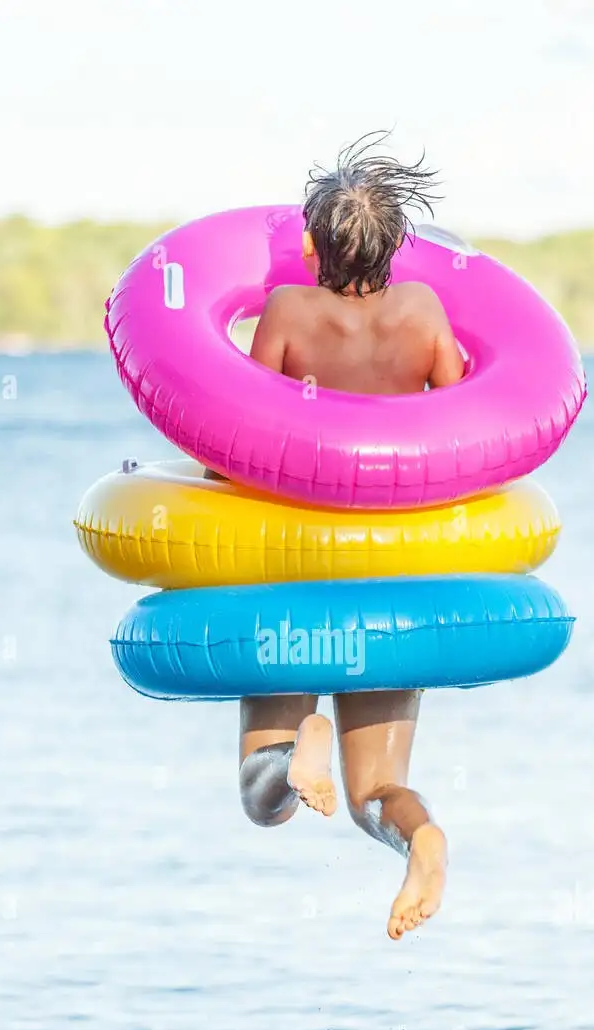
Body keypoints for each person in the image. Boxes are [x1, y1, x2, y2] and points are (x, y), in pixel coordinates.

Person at [217, 132, 465, 940]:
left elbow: (246, 439)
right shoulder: (425, 315)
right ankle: (419, 837)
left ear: (313, 243)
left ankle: (294, 752)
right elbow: (463, 432)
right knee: (373, 795)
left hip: (297, 568)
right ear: (398, 244)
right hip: (394, 576)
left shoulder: (288, 312)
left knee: (262, 794)